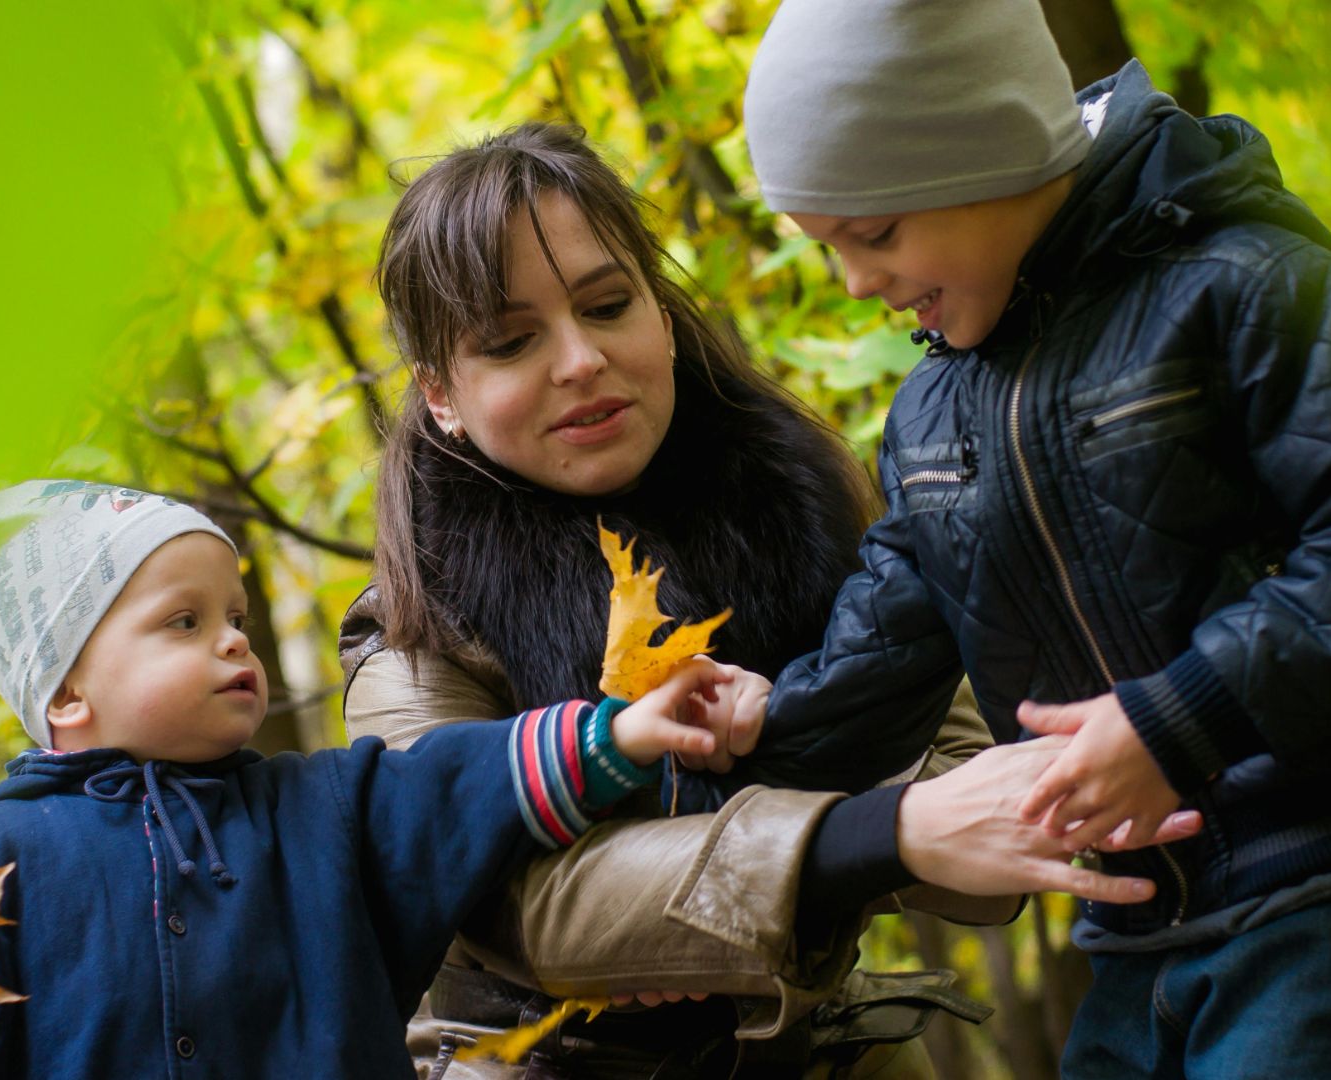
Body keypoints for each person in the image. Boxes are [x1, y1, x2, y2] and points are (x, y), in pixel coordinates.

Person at [699, 1, 1331, 1077]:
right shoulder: (934, 416)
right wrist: (770, 722)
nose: (856, 282)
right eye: (830, 248)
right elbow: (888, 643)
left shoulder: (1239, 286)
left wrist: (1179, 722)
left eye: (876, 233)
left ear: (985, 146)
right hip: (1137, 927)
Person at [351, 121, 1200, 1077]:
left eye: (607, 304)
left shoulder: (806, 507)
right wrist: (891, 834)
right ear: (442, 396)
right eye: (510, 342)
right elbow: (533, 911)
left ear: (661, 316)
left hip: (819, 1046)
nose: (580, 359)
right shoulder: (417, 628)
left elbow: (958, 757)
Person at [0, 480, 739, 1078]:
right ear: (69, 690)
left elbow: (462, 782)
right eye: (183, 621)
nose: (234, 636)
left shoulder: (322, 809)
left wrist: (620, 732)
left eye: (233, 612)